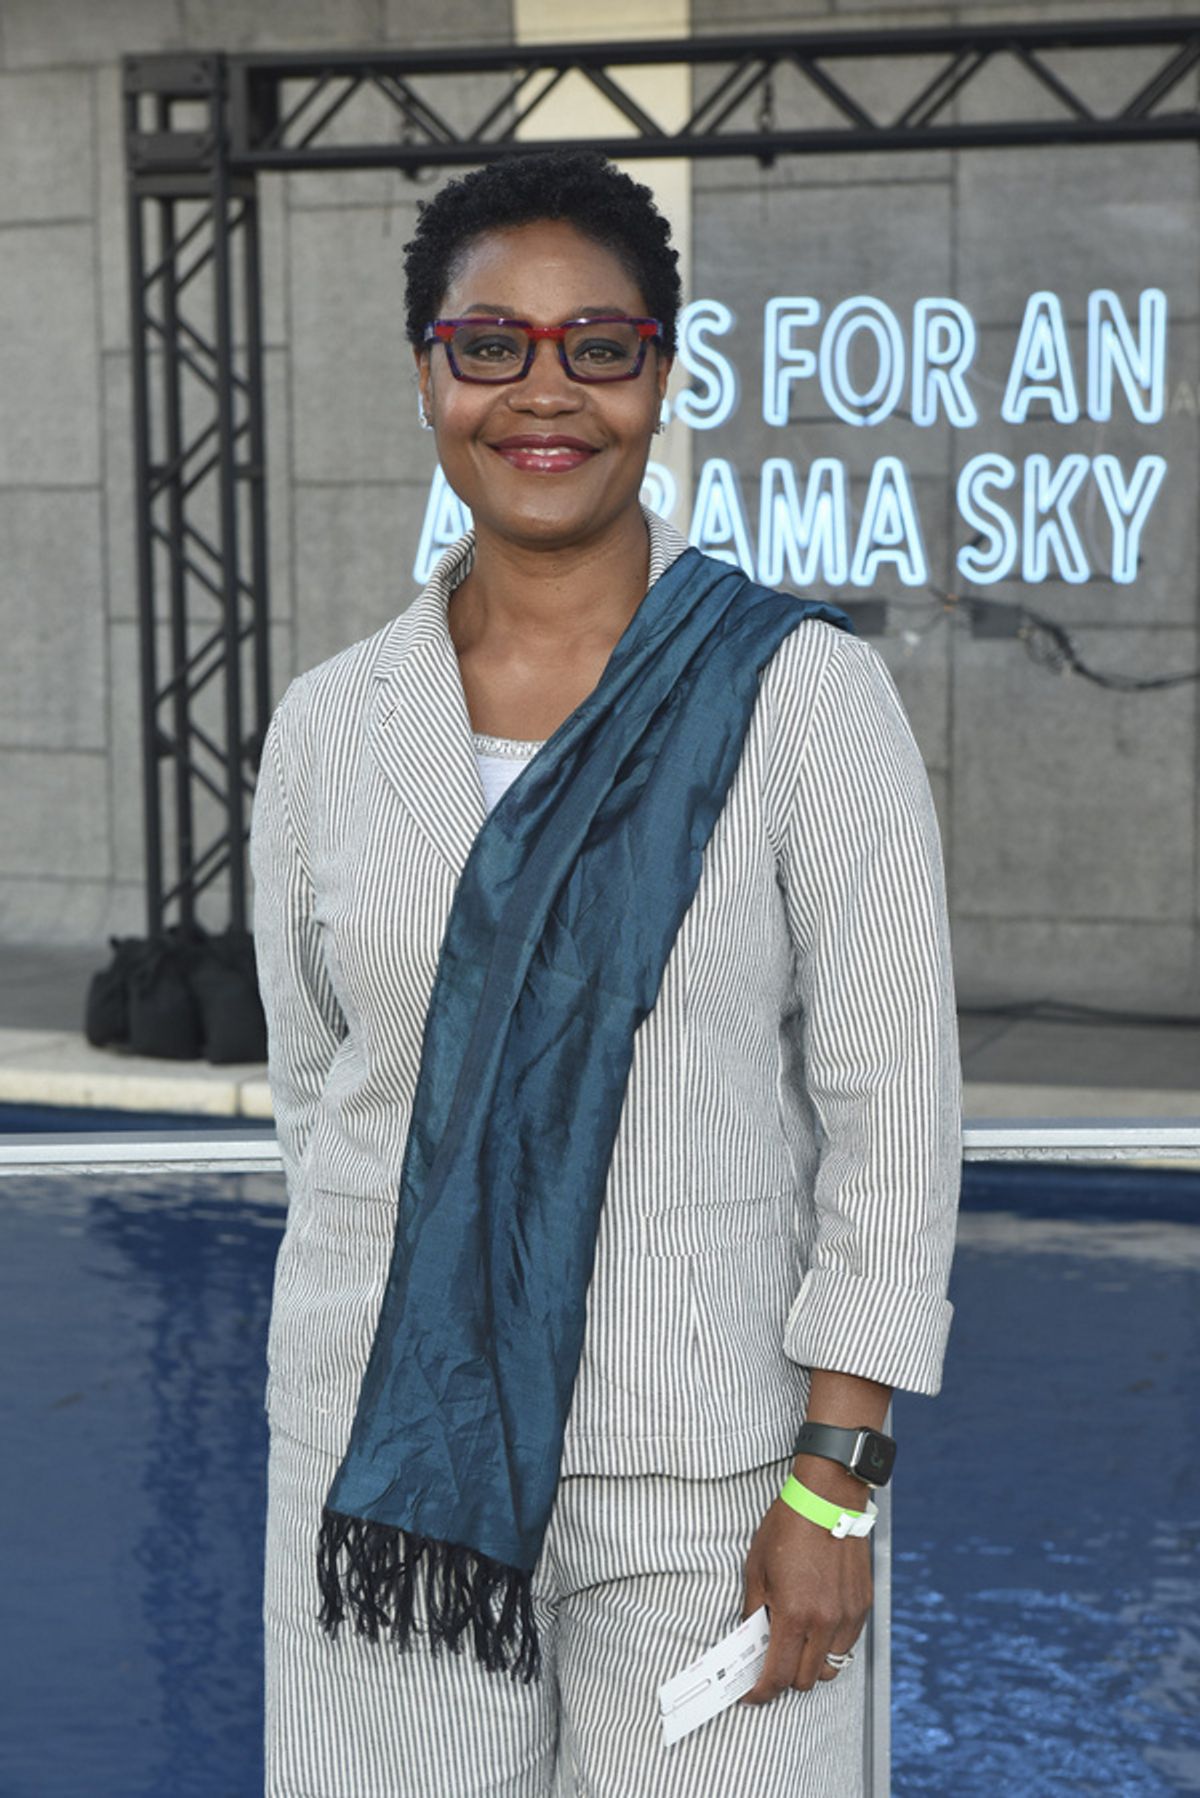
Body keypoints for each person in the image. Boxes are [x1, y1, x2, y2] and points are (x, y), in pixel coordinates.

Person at [251, 148, 961, 1798]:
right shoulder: (332, 730)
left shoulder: (802, 697)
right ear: (430, 367)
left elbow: (894, 1120)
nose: (542, 391)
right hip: (387, 1476)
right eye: (490, 341)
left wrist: (834, 1484)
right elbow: (325, 1100)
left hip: (711, 1479)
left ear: (663, 368)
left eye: (600, 344)